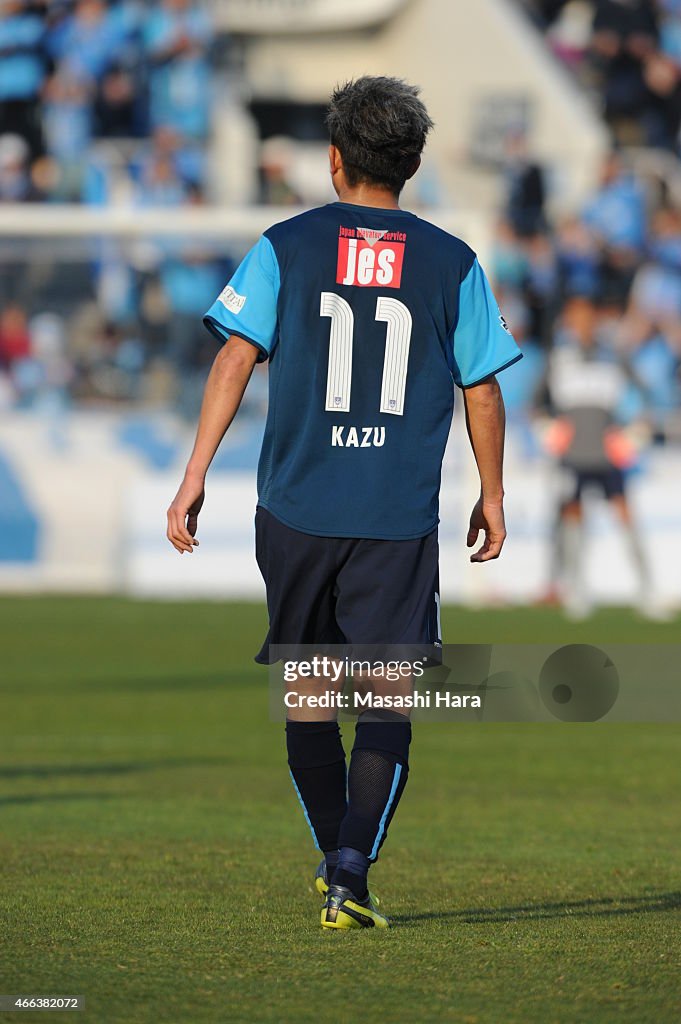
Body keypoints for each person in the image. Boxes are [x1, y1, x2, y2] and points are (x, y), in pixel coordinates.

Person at [166, 76, 521, 930]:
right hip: (394, 518)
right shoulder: (452, 261)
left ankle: (339, 866)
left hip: (294, 509)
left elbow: (231, 359)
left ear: (332, 160)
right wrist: (493, 492)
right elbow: (481, 389)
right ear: (415, 162)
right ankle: (349, 871)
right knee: (388, 705)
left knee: (308, 696)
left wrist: (194, 473)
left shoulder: (284, 245)